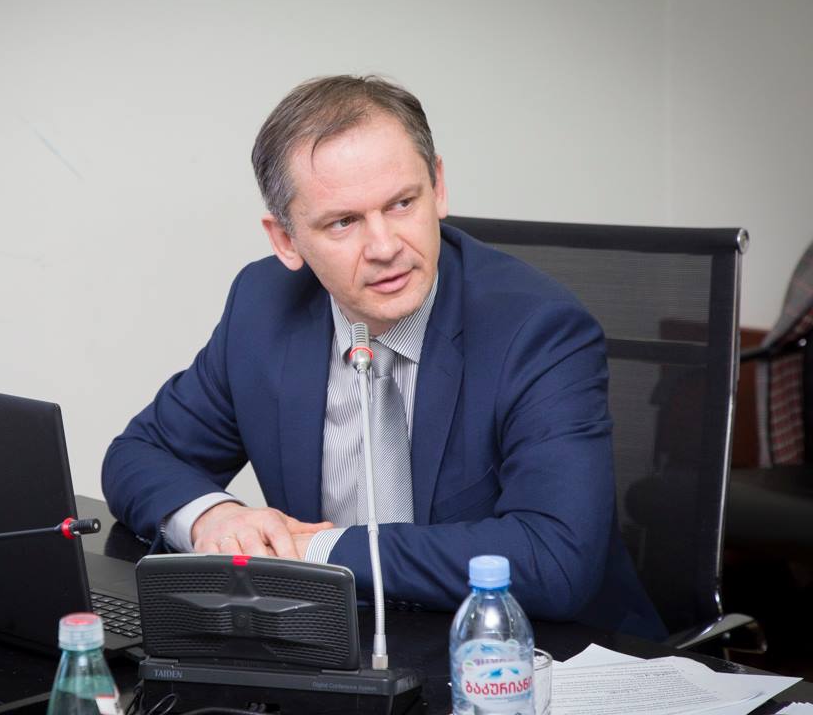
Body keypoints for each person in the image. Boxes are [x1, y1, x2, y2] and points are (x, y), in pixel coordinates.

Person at [102, 75, 665, 638]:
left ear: (438, 187)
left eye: (401, 203)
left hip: (533, 652)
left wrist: (313, 551)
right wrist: (215, 518)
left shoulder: (538, 330)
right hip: (335, 644)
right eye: (343, 221)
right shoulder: (263, 308)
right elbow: (139, 455)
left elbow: (554, 558)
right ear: (286, 240)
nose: (385, 247)